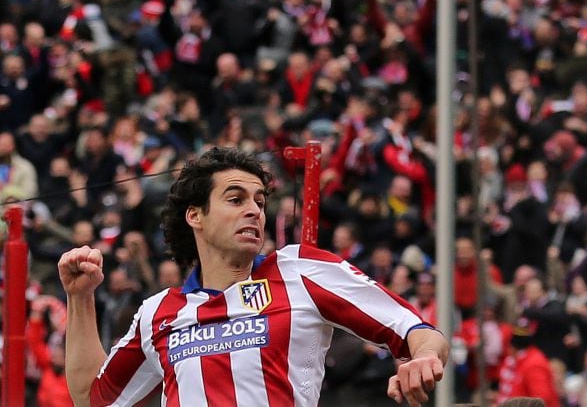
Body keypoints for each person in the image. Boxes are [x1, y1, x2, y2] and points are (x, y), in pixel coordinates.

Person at [58, 147, 448, 406]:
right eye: (235, 199)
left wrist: (424, 356)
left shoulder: (300, 271)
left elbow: (419, 331)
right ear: (195, 216)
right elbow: (92, 398)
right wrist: (80, 298)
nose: (254, 211)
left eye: (260, 201)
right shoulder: (158, 311)